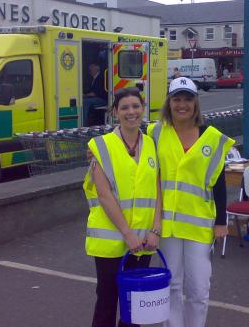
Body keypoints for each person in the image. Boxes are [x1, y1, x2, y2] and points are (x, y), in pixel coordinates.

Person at [147, 77, 234, 327]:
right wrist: (94, 151)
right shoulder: (155, 132)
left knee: (198, 289)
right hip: (167, 225)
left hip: (199, 224)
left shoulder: (211, 137)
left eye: (187, 99)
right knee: (171, 284)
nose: (182, 104)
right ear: (169, 102)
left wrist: (221, 222)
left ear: (196, 103)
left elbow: (218, 181)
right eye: (177, 99)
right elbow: (129, 148)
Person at [84, 87, 162, 327]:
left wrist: (155, 230)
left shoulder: (151, 143)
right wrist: (127, 234)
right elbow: (105, 195)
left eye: (136, 106)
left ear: (143, 109)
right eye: (125, 107)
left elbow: (158, 190)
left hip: (144, 238)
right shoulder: (100, 145)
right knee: (107, 298)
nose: (131, 112)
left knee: (135, 303)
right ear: (115, 112)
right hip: (111, 240)